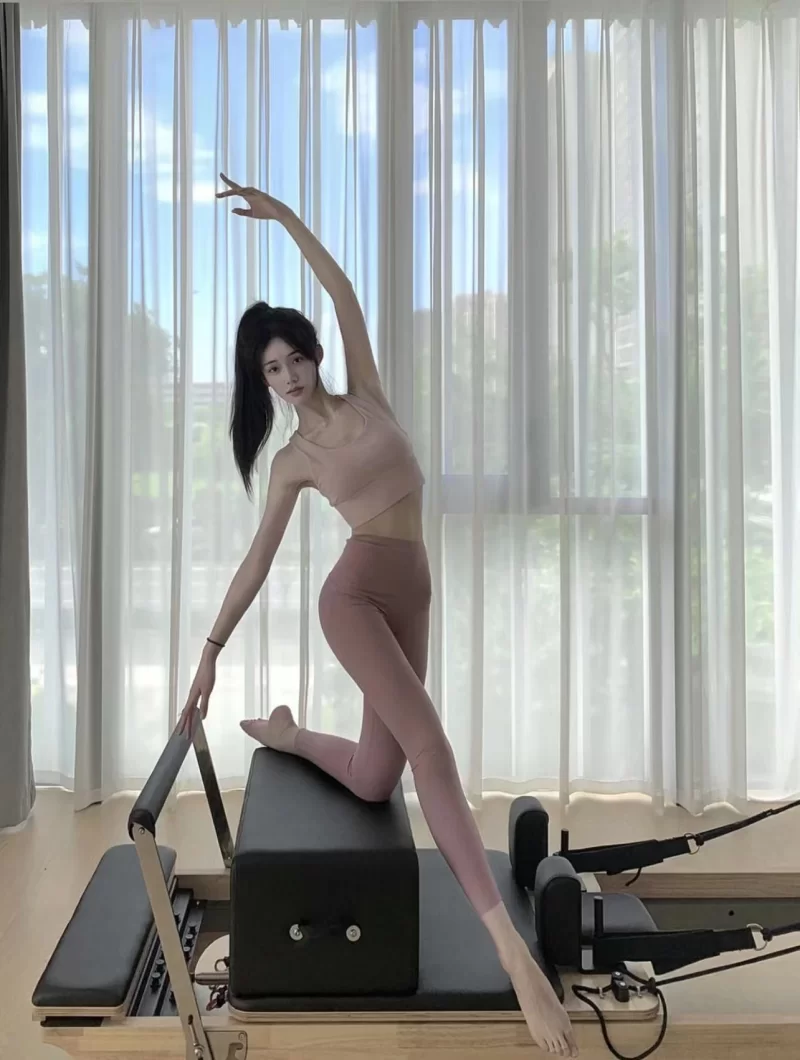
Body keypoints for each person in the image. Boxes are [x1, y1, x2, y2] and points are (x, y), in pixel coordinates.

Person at [178, 173, 578, 1059]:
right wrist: (209, 650)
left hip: (412, 590)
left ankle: (287, 735)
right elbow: (257, 560)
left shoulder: (366, 393)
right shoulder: (293, 461)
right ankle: (512, 959)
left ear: (314, 354)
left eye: (294, 358)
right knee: (431, 750)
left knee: (373, 777)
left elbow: (343, 288)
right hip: (354, 597)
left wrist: (286, 216)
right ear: (261, 382)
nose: (288, 377)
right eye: (271, 370)